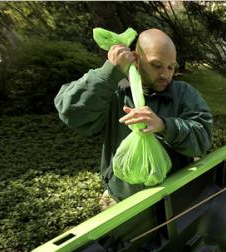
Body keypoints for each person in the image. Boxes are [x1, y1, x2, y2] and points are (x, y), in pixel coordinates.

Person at [55, 28, 213, 202]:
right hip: (122, 200)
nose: (165, 75)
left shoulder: (184, 94)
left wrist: (164, 125)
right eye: (156, 65)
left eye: (171, 67)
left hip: (173, 198)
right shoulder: (114, 91)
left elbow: (202, 139)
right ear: (136, 59)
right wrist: (108, 72)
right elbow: (72, 112)